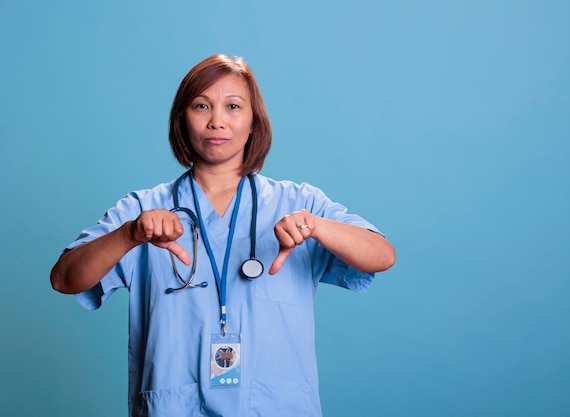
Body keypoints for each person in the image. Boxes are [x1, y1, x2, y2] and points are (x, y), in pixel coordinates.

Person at [50, 54, 395, 417]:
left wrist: (317, 227)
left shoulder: (297, 203)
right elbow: (64, 278)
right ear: (182, 120)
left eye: (233, 106)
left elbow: (382, 255)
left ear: (253, 123)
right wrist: (129, 234)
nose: (217, 121)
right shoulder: (143, 211)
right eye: (201, 106)